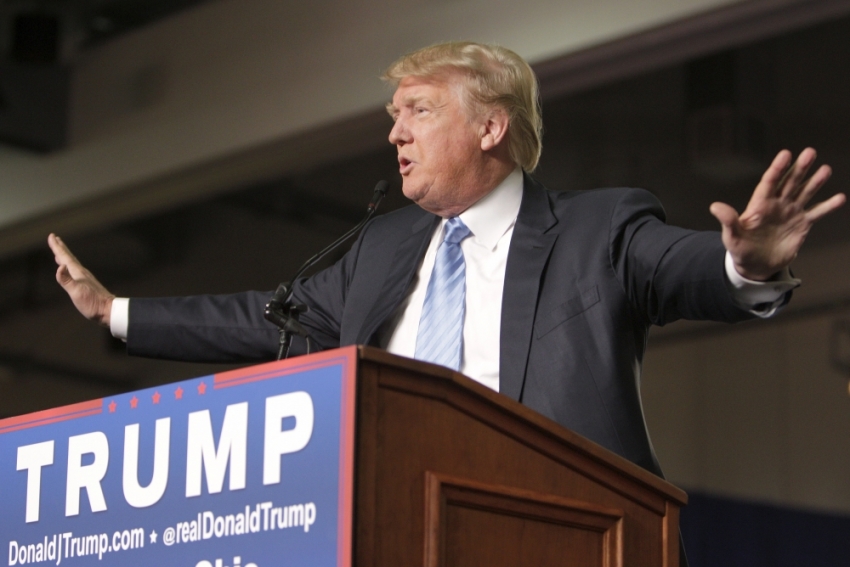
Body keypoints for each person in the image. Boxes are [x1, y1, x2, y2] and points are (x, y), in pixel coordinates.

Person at [49, 41, 844, 478]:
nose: (395, 134)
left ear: (492, 129)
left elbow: (682, 269)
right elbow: (267, 319)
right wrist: (113, 310)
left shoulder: (599, 227)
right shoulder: (382, 246)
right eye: (394, 117)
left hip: (557, 520)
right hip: (386, 514)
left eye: (418, 112)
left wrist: (749, 263)